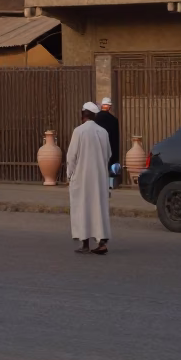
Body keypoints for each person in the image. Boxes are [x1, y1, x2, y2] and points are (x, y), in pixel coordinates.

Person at [67, 102, 112, 255]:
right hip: (99, 177)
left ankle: (85, 244)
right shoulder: (103, 132)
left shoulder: (79, 131)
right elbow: (108, 155)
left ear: (83, 115)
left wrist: (69, 174)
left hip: (82, 177)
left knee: (83, 208)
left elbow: (71, 156)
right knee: (98, 208)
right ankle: (101, 242)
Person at [94, 96, 121, 185]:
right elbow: (116, 138)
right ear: (109, 107)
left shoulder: (95, 118)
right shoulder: (114, 120)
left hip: (96, 146)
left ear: (102, 106)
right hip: (109, 146)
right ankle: (109, 183)